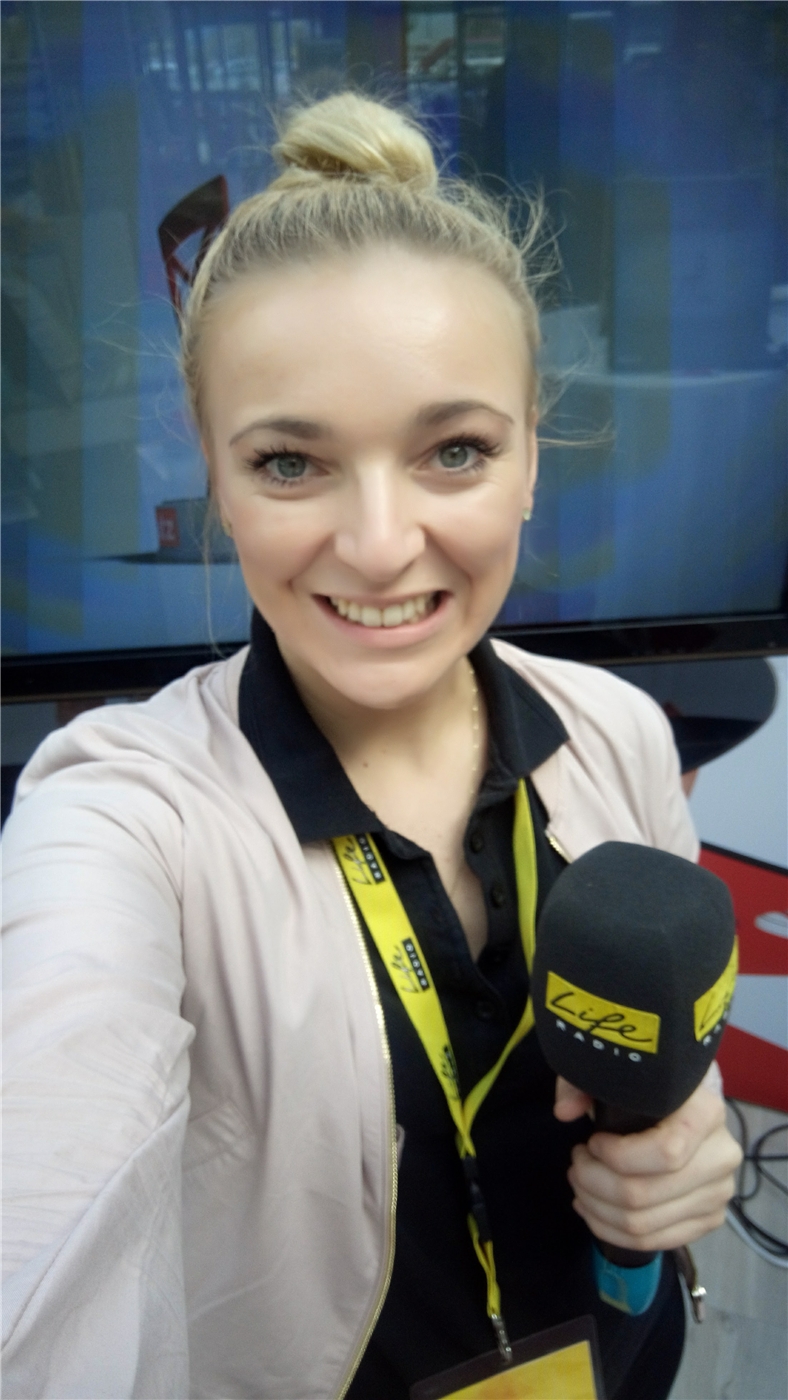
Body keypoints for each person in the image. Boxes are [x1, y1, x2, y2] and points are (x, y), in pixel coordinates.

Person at [2, 93, 741, 1400]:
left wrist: (684, 1136)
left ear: (531, 459)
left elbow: (665, 1049)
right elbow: (44, 1188)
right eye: (292, 465)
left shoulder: (618, 729)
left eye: (454, 450)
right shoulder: (119, 816)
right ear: (214, 476)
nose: (382, 545)